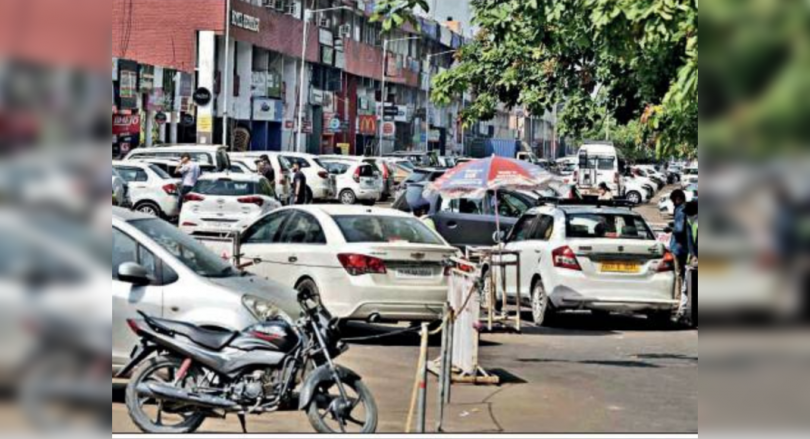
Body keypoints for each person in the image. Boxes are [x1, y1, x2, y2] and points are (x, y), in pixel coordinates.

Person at [669, 189, 690, 319]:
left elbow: (679, 229)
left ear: (677, 199)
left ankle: (677, 303)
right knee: (681, 275)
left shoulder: (680, 210)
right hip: (685, 247)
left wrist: (670, 228)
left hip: (679, 247)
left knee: (678, 276)